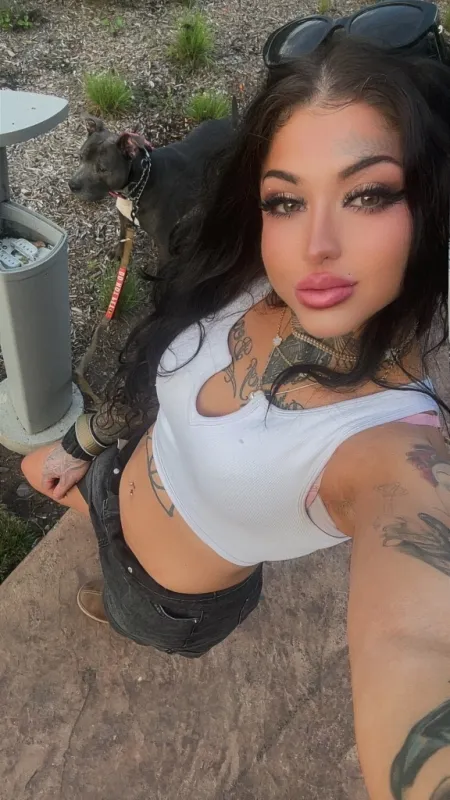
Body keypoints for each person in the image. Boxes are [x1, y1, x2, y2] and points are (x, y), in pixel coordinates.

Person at [22, 15, 450, 799]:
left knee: (125, 612)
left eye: (368, 193)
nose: (314, 246)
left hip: (169, 598)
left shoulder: (392, 454)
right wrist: (79, 447)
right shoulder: (247, 268)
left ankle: (119, 607)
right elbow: (156, 384)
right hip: (115, 482)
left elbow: (418, 641)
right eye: (285, 200)